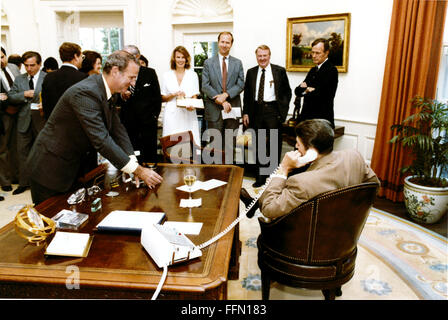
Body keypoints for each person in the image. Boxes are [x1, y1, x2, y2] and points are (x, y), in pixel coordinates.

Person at [27, 50, 163, 205]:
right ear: (115, 71)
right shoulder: (86, 93)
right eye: (131, 77)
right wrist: (138, 170)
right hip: (50, 169)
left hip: (73, 167)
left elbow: (118, 129)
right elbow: (101, 140)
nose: (133, 83)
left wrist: (132, 161)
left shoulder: (109, 90)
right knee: (49, 223)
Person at [240, 119, 379, 220]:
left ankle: (256, 203)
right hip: (344, 227)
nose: (295, 146)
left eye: (298, 144)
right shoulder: (355, 156)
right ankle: (255, 203)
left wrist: (284, 168)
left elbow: (269, 209)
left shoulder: (302, 183)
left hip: (310, 235)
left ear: (312, 151)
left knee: (278, 187)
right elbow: (374, 185)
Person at [242, 45, 292, 187]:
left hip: (273, 111)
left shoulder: (279, 71)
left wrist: (282, 113)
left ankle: (272, 179)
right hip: (255, 112)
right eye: (260, 56)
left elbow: (287, 93)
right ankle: (260, 178)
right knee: (259, 146)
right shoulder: (251, 72)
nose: (262, 58)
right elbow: (247, 95)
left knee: (274, 146)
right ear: (256, 56)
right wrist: (246, 112)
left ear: (269, 56)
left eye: (265, 55)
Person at [201, 31, 244, 162]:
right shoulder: (208, 63)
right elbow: (205, 85)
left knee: (230, 146)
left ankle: (229, 177)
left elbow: (241, 83)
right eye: (222, 41)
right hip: (214, 110)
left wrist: (226, 94)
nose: (224, 45)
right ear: (218, 42)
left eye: (228, 42)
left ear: (231, 44)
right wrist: (219, 99)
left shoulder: (237, 63)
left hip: (233, 109)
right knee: (216, 146)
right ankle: (218, 177)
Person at [8, 51, 46, 195]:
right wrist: (23, 95)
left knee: (41, 153)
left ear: (39, 64)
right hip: (23, 121)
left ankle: (42, 182)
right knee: (22, 153)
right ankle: (23, 183)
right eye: (26, 66)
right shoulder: (19, 79)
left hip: (41, 121)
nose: (29, 69)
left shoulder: (47, 78)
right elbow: (10, 96)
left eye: (32, 65)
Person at [119, 45, 161, 164]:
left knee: (150, 156)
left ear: (137, 56)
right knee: (131, 156)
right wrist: (122, 95)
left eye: (127, 56)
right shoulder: (120, 73)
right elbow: (114, 96)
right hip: (128, 123)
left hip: (148, 123)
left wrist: (154, 117)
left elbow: (157, 97)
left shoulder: (149, 73)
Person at [161, 46, 201, 146]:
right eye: (178, 57)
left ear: (186, 59)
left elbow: (194, 96)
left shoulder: (193, 75)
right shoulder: (166, 75)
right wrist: (174, 94)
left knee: (190, 143)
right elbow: (162, 98)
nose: (180, 60)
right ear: (174, 59)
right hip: (171, 114)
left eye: (183, 57)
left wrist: (192, 107)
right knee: (172, 143)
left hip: (188, 113)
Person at [294, 38, 338, 127]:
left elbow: (321, 96)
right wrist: (308, 90)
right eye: (312, 52)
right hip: (306, 120)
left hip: (321, 122)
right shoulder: (313, 70)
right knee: (262, 138)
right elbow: (297, 91)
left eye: (317, 53)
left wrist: (305, 90)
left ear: (326, 53)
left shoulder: (331, 70)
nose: (313, 56)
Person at [41, 42, 87, 120]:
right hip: (75, 125)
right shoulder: (82, 77)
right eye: (81, 56)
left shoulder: (49, 77)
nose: (82, 59)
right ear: (76, 56)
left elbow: (45, 105)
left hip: (54, 125)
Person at [0, 47, 21, 194]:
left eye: (2, 57)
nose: (1, 61)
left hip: (19, 111)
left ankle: (16, 176)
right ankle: (5, 180)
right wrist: (5, 106)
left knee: (17, 146)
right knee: (3, 148)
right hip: (3, 114)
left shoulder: (14, 67)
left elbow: (20, 87)